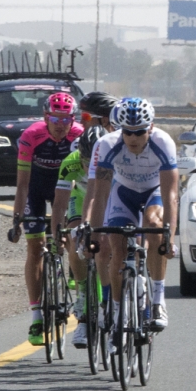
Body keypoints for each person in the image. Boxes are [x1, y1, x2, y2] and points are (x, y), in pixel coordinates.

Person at [85, 98, 179, 351]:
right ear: (120, 130)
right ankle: (118, 319)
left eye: (139, 132)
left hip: (153, 192)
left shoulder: (163, 143)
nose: (133, 138)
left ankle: (158, 301)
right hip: (123, 192)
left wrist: (169, 236)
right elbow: (100, 194)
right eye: (127, 132)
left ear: (151, 128)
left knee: (153, 223)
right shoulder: (107, 145)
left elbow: (171, 195)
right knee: (116, 247)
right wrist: (93, 235)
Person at [9, 92, 84, 345]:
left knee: (73, 232)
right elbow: (22, 185)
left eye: (66, 119)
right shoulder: (31, 136)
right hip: (37, 190)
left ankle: (75, 267)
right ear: (45, 116)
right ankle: (37, 317)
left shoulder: (80, 135)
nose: (61, 125)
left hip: (68, 188)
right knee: (35, 248)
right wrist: (16, 219)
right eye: (55, 118)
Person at [50, 125, 105, 348]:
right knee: (74, 238)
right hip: (80, 199)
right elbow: (60, 203)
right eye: (85, 160)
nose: (89, 166)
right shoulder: (70, 163)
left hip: (105, 200)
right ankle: (83, 296)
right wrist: (57, 234)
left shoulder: (113, 161)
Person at [77, 92, 120, 331]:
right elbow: (94, 192)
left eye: (84, 116)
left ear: (102, 119)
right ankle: (106, 301)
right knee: (102, 245)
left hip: (130, 194)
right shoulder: (93, 143)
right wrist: (87, 225)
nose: (79, 121)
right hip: (103, 194)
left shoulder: (123, 139)